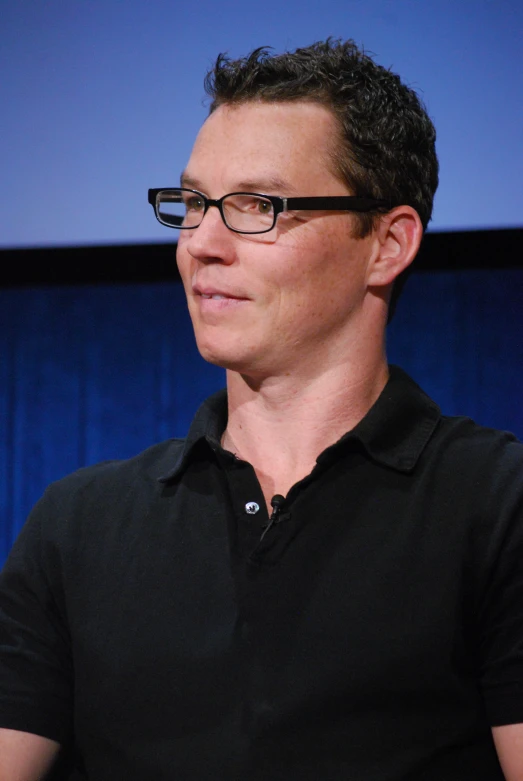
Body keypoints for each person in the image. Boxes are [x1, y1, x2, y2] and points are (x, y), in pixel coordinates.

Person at [0, 39, 522, 781]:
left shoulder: (495, 506)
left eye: (255, 206)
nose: (201, 244)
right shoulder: (77, 526)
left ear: (387, 242)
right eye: (192, 203)